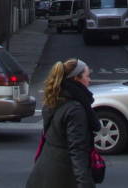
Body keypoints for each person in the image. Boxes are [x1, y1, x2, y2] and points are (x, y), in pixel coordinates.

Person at [26, 58, 99, 188]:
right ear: (77, 79)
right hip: (62, 177)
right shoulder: (75, 109)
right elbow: (77, 150)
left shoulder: (56, 99)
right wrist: (85, 184)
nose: (90, 80)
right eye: (87, 76)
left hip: (43, 173)